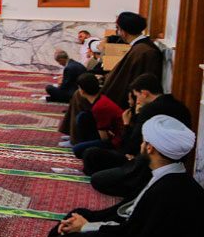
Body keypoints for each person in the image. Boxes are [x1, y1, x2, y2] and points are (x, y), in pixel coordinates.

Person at [31, 115, 204, 237]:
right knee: (76, 216)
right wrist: (85, 223)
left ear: (150, 148)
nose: (141, 146)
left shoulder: (168, 191)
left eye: (144, 142)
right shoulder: (168, 176)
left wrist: (86, 227)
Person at [58, 12, 162, 143]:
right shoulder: (141, 48)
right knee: (81, 92)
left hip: (121, 97)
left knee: (80, 95)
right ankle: (75, 134)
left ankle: (77, 138)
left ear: (123, 31)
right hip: (118, 90)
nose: (117, 33)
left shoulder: (145, 51)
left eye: (118, 29)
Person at [84, 74, 193, 197]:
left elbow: (129, 146)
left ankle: (135, 191)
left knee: (96, 172)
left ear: (145, 93)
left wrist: (127, 124)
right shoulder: (181, 108)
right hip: (173, 163)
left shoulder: (149, 109)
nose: (137, 101)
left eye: (137, 96)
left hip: (146, 164)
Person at [69, 73, 124, 157]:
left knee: (77, 149)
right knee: (83, 116)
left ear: (82, 91)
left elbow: (104, 137)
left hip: (117, 140)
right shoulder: (101, 98)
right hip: (113, 132)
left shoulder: (99, 107)